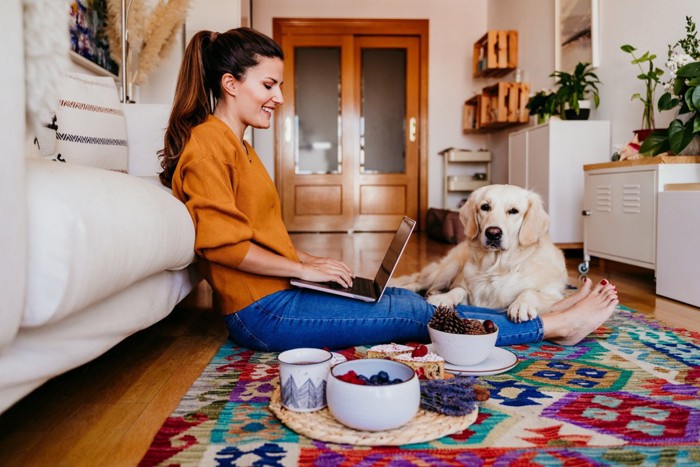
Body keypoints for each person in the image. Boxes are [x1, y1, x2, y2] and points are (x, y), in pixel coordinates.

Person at [159, 28, 619, 353]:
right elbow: (222, 248)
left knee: (406, 299)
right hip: (262, 315)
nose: (279, 96)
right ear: (230, 83)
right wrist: (303, 269)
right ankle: (552, 325)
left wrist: (307, 263)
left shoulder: (237, 146)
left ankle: (553, 309)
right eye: (269, 84)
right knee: (416, 318)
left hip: (279, 291)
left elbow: (254, 234)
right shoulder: (207, 147)